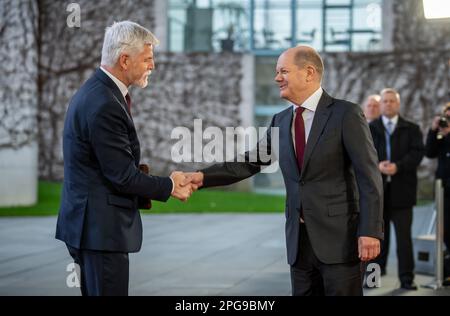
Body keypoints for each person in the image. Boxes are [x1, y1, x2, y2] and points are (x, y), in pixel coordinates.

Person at [185, 46, 384, 296]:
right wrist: (202, 177)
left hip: (340, 242)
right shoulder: (280, 120)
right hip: (299, 245)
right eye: (277, 72)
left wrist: (370, 231)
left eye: (283, 71)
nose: (277, 78)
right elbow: (251, 161)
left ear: (309, 72)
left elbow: (369, 176)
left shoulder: (346, 114)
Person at [55, 21, 194, 296]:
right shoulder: (105, 103)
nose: (152, 66)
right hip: (100, 231)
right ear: (125, 59)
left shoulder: (99, 92)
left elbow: (108, 164)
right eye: (148, 59)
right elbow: (121, 175)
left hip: (91, 227)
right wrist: (169, 185)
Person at [369, 88, 424, 290]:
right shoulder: (370, 128)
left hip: (403, 193)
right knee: (376, 240)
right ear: (381, 104)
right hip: (379, 194)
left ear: (398, 104)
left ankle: (407, 280)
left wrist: (398, 166)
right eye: (385, 101)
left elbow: (418, 153)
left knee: (404, 241)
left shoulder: (412, 128)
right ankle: (373, 277)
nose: (388, 104)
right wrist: (378, 166)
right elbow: (365, 154)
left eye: (392, 101)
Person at [425, 102, 450, 285]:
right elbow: (430, 152)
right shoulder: (441, 135)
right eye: (446, 116)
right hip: (444, 189)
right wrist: (433, 130)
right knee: (445, 231)